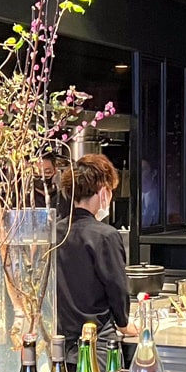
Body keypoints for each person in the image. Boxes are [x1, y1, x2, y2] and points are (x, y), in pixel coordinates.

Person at [56, 154, 134, 359]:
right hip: (97, 344)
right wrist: (124, 324)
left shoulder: (53, 232)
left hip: (58, 344)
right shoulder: (106, 235)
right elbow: (117, 287)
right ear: (103, 192)